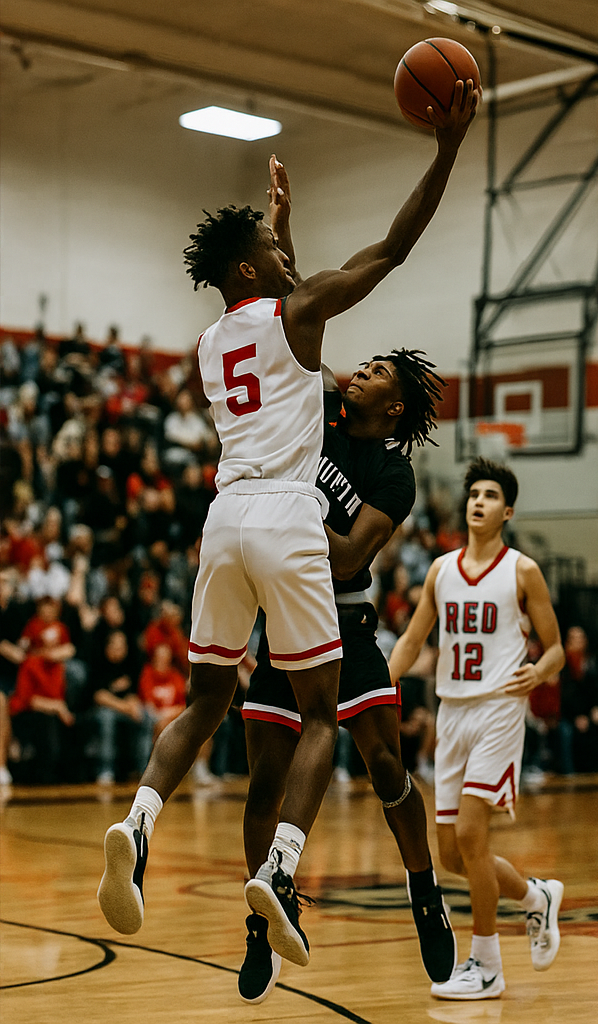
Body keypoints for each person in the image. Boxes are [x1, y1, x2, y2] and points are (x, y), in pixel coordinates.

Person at [98, 80, 479, 971]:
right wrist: (446, 151)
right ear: (251, 270)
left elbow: (286, 309)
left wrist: (280, 228)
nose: (282, 257)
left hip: (224, 518)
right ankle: (279, 867)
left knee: (203, 701)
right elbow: (386, 252)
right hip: (287, 524)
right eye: (271, 251)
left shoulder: (210, 343)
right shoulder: (299, 321)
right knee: (318, 719)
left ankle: (139, 818)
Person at [238, 350, 457, 1002]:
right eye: (364, 365)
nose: (361, 370)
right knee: (263, 785)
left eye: (379, 372)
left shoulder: (393, 473)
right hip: (285, 617)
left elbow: (349, 556)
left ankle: (425, 890)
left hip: (347, 619)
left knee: (386, 766)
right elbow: (297, 328)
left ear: (395, 407)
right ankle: (265, 920)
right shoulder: (321, 412)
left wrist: (292, 503)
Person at [389, 457, 566, 1000]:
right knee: (452, 855)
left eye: (491, 496)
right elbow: (413, 639)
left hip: (498, 709)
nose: (479, 502)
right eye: (474, 494)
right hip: (452, 712)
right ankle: (536, 897)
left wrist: (540, 670)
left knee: (471, 836)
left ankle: (486, 964)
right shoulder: (441, 571)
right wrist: (379, 686)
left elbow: (556, 648)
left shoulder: (523, 570)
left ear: (507, 511)